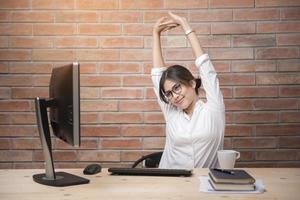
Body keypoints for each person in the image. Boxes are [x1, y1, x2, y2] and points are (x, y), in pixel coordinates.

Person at [151, 12, 225, 169]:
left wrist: (186, 26)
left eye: (177, 87)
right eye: (169, 93)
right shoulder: (171, 113)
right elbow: (158, 75)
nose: (174, 96)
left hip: (203, 186)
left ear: (192, 83)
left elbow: (206, 68)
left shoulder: (213, 110)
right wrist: (155, 34)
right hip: (168, 183)